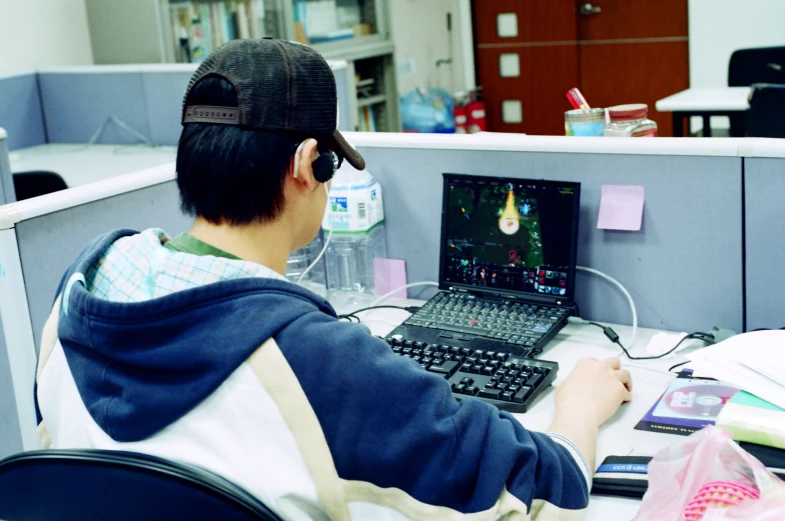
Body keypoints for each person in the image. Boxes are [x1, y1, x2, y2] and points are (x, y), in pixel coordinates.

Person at [34, 38, 633, 520]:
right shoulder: (314, 356)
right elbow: (539, 486)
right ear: (305, 166)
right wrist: (578, 410)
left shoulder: (77, 294)